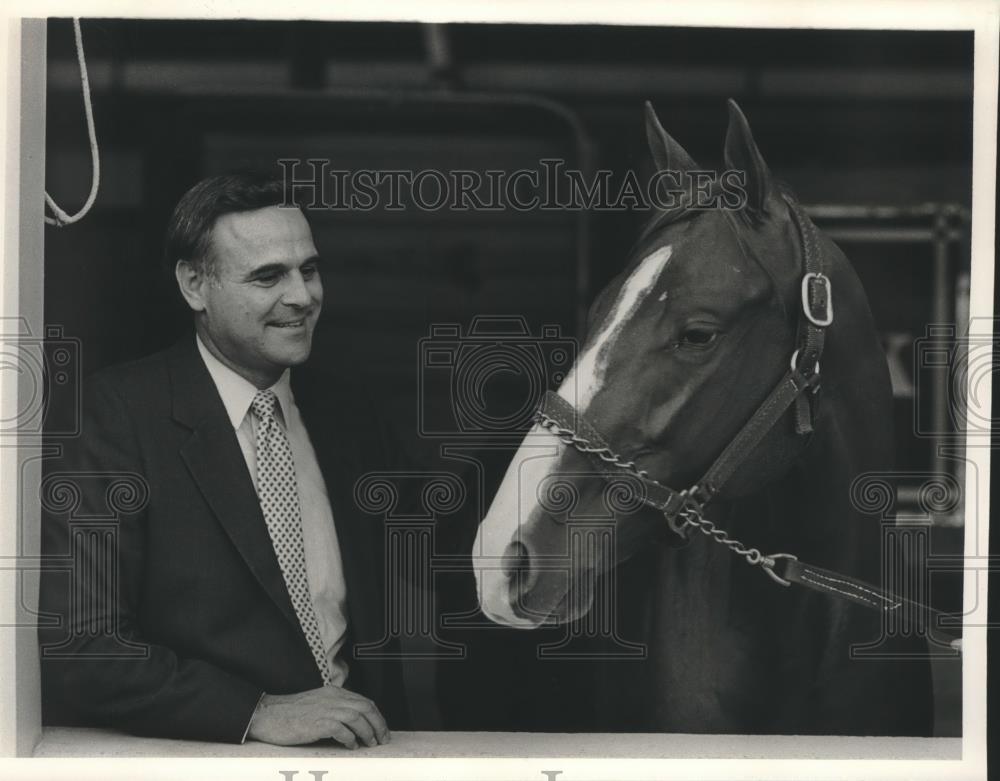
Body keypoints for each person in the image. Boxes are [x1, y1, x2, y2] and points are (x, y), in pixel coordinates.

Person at [38, 173, 405, 747]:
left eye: (309, 269)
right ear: (194, 285)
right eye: (268, 276)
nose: (303, 296)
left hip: (366, 754)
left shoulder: (348, 413)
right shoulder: (115, 417)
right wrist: (254, 713)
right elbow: (84, 646)